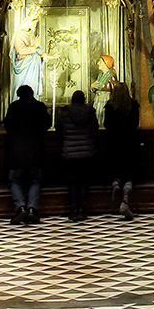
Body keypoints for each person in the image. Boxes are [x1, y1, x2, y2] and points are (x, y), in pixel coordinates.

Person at [3, 85, 50, 223]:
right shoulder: (40, 106)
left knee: (15, 180)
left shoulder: (14, 107)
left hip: (16, 149)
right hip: (35, 149)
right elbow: (46, 124)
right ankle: (32, 209)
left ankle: (20, 207)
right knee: (35, 180)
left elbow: (8, 126)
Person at [56, 89, 99, 221]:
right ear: (84, 99)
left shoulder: (64, 114)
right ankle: (82, 209)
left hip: (70, 152)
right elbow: (95, 128)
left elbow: (59, 129)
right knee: (84, 181)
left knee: (73, 182)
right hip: (86, 151)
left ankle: (73, 208)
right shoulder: (90, 112)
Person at [103, 80, 142, 219]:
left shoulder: (109, 107)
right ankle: (125, 200)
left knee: (115, 170)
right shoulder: (133, 106)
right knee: (129, 173)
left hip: (114, 143)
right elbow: (136, 123)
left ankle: (115, 185)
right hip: (130, 143)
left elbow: (106, 124)